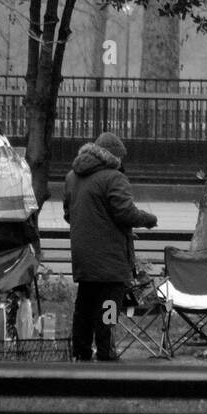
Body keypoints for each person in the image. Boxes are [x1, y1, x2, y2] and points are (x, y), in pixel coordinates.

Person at [63, 132, 158, 361]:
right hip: (110, 259)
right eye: (121, 157)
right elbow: (125, 212)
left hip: (84, 255)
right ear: (113, 156)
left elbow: (70, 214)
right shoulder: (113, 177)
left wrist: (104, 227)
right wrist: (148, 219)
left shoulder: (71, 177)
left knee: (84, 306)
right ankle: (106, 353)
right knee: (109, 307)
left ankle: (81, 352)